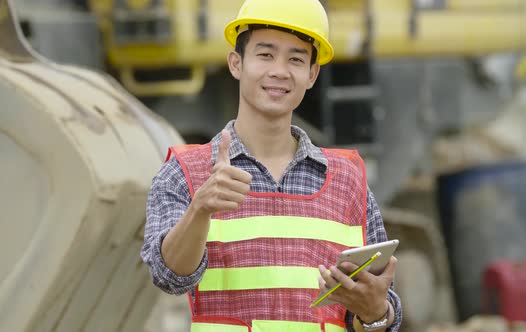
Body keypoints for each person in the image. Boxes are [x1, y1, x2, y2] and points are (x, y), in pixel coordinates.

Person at [141, 0, 402, 330]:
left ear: (311, 74)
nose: (279, 70)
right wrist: (200, 209)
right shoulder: (187, 173)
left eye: (295, 58)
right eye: (265, 55)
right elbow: (169, 277)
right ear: (236, 64)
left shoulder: (346, 180)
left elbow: (380, 310)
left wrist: (375, 311)